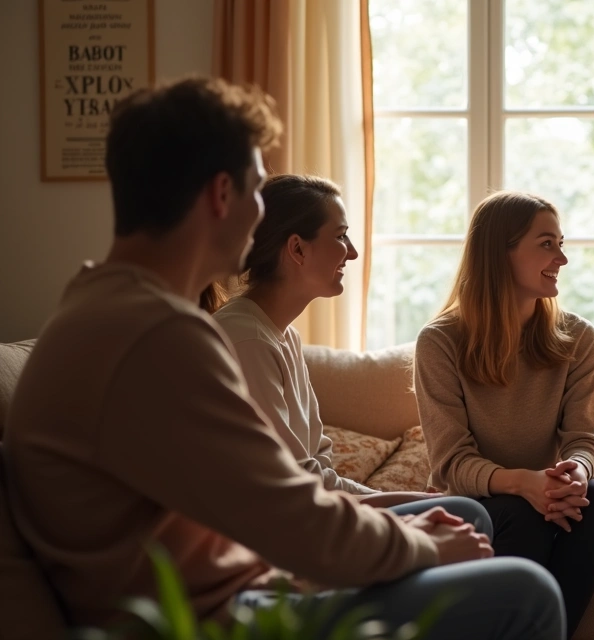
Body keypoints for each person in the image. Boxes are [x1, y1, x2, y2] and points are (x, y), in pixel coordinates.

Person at [2, 77, 563, 639]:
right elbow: (289, 514)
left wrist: (419, 536)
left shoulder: (106, 309)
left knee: (467, 522)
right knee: (527, 592)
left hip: (240, 582)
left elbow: (272, 499)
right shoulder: (156, 335)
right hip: (213, 617)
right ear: (222, 195)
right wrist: (423, 548)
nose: (260, 211)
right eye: (256, 189)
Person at [413, 190, 594, 639]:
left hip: (547, 493)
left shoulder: (578, 337)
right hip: (478, 499)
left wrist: (578, 472)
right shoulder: (439, 342)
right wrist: (524, 482)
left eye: (561, 243)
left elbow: (587, 437)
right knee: (521, 515)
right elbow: (450, 462)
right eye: (547, 244)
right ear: (498, 254)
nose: (562, 258)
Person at [211, 173, 441, 509]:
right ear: (298, 249)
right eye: (342, 236)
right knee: (466, 511)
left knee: (466, 510)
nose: (354, 253)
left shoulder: (283, 336)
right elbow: (295, 480)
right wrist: (406, 504)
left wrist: (406, 502)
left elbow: (318, 463)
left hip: (310, 516)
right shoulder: (247, 340)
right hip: (278, 532)